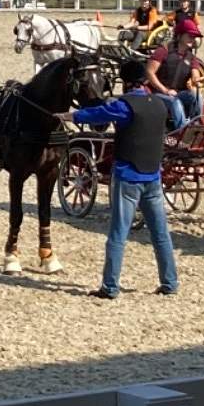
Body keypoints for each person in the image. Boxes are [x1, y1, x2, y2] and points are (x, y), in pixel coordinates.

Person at [57, 59, 178, 299]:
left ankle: (110, 287)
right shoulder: (161, 105)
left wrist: (70, 116)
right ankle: (170, 282)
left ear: (128, 82)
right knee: (160, 234)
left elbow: (97, 114)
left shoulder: (124, 106)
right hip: (153, 176)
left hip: (128, 176)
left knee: (117, 235)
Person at [144, 18, 204, 130]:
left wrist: (196, 80)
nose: (193, 38)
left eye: (194, 36)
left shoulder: (191, 57)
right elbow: (149, 72)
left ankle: (196, 126)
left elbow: (195, 74)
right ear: (180, 35)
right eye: (190, 35)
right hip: (156, 93)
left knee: (197, 96)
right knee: (174, 102)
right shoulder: (164, 50)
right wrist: (165, 91)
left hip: (176, 93)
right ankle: (181, 132)